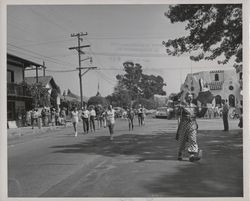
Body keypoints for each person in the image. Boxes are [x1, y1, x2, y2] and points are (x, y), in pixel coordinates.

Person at [176, 92, 207, 162]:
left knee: (192, 139)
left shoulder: (194, 106)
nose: (190, 98)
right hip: (184, 124)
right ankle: (180, 153)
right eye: (188, 97)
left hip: (192, 124)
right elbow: (177, 115)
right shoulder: (182, 106)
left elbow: (200, 115)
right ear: (186, 98)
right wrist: (179, 108)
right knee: (182, 140)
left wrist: (204, 108)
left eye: (191, 97)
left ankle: (191, 155)